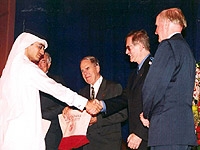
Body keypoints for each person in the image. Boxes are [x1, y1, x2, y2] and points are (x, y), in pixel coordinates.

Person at [0, 32, 102, 150]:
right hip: (23, 136)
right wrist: (85, 103)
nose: (42, 52)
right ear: (27, 43)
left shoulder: (11, 69)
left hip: (11, 134)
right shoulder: (26, 67)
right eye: (40, 46)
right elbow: (56, 89)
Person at [140, 8, 197, 150]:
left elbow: (152, 86)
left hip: (166, 131)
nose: (155, 31)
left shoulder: (167, 46)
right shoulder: (187, 51)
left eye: (157, 26)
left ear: (166, 24)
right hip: (183, 132)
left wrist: (147, 114)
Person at [98, 29, 152, 150]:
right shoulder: (134, 74)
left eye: (129, 47)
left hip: (147, 136)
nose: (126, 52)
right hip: (137, 137)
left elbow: (155, 104)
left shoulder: (153, 69)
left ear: (140, 46)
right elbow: (124, 98)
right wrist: (102, 105)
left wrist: (140, 133)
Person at [64, 56, 128, 150]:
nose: (85, 73)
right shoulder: (82, 92)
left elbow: (122, 115)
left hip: (108, 144)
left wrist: (98, 119)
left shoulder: (114, 87)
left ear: (97, 68)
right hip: (88, 145)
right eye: (82, 71)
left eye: (87, 68)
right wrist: (69, 110)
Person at [38, 52, 66, 150]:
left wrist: (40, 115)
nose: (39, 65)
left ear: (49, 64)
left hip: (51, 132)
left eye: (43, 61)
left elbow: (62, 105)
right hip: (31, 129)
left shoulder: (56, 81)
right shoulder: (28, 81)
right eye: (37, 62)